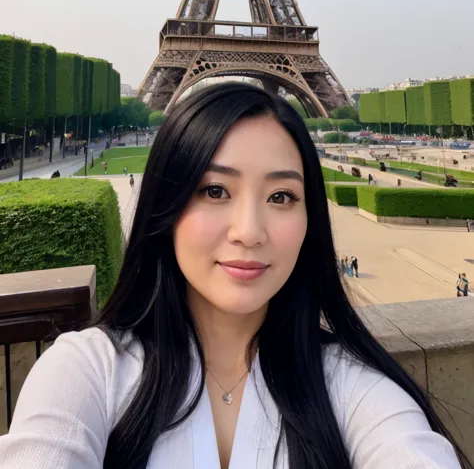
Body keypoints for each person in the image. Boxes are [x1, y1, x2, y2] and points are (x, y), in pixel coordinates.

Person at [0, 83, 466, 469]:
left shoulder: (357, 390)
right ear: (167, 202)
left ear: (310, 219)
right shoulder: (82, 373)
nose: (249, 232)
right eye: (215, 190)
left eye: (281, 196)